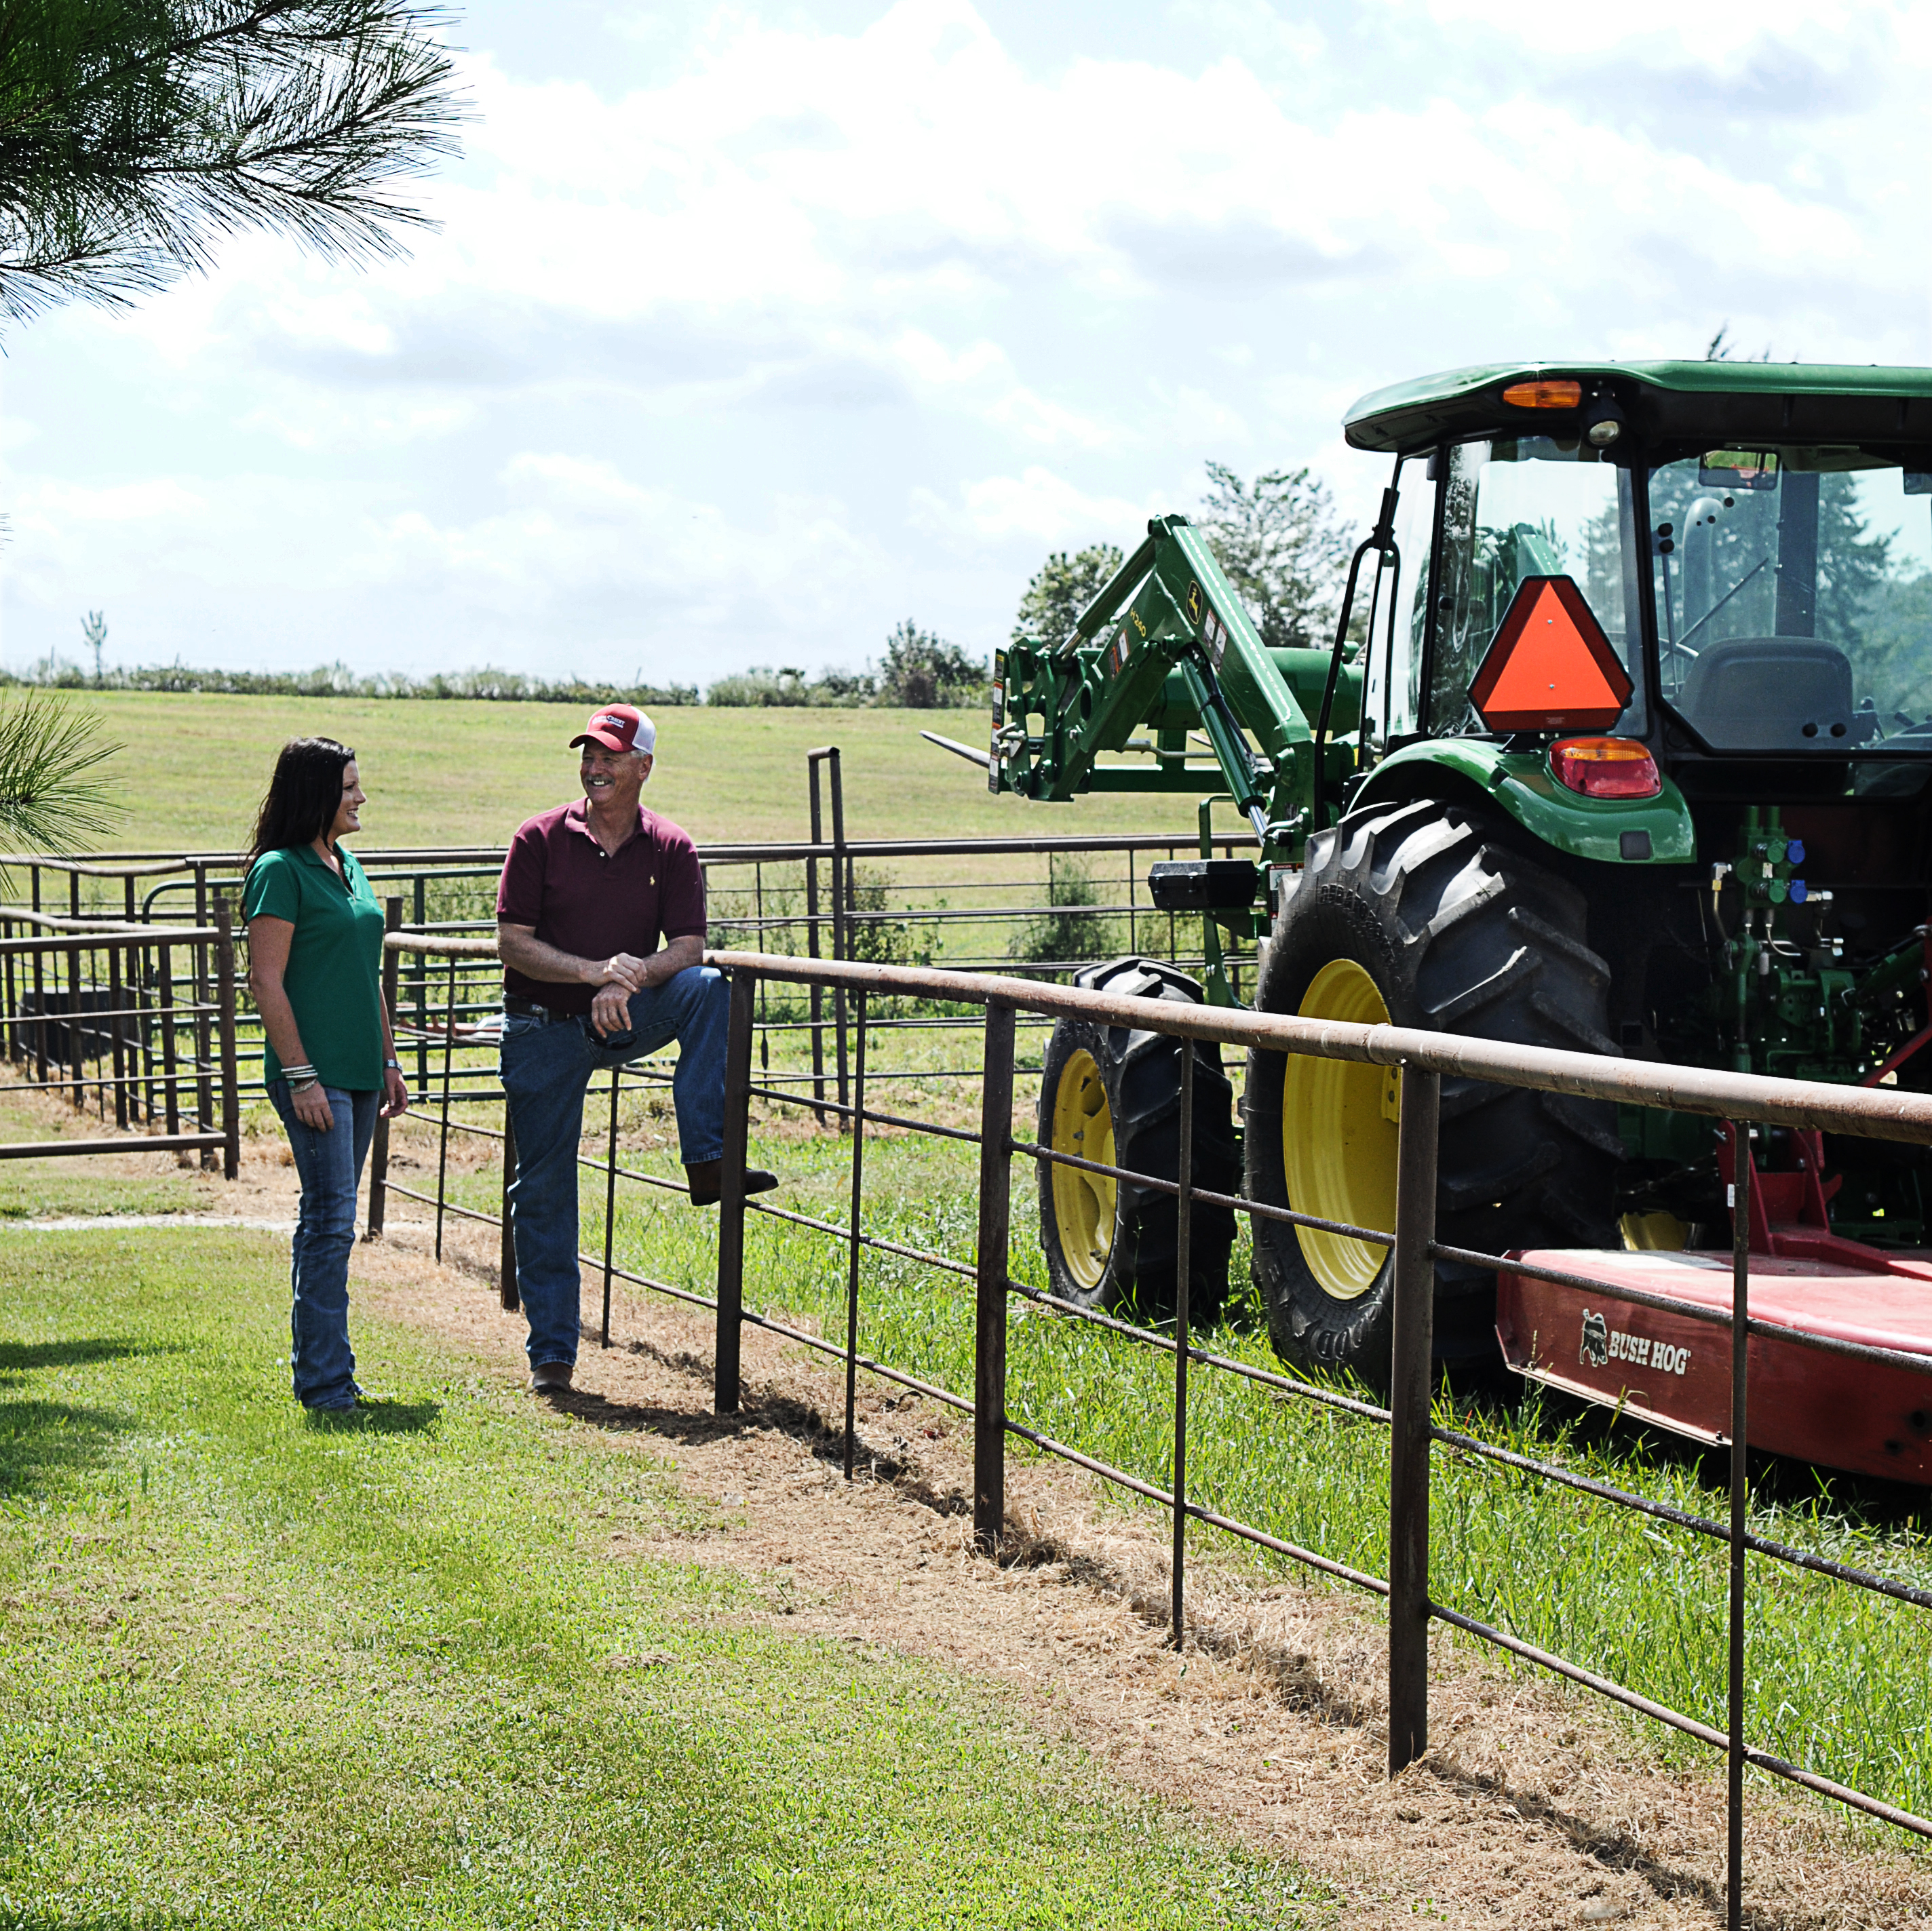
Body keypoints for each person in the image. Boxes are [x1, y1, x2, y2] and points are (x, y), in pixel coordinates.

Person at [496, 703, 777, 1394]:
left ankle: (708, 1159)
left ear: (643, 767)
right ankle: (553, 1355)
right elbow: (512, 944)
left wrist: (634, 976)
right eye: (587, 756)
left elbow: (689, 947)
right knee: (545, 1191)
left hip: (623, 1011)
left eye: (610, 757)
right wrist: (594, 973)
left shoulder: (672, 848)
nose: (594, 768)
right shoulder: (537, 839)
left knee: (710, 986)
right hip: (541, 1025)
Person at [244, 737, 409, 1415]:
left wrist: (390, 1059)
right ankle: (324, 1385)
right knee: (332, 1220)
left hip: (362, 1073)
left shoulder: (349, 865)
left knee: (330, 1222)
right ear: (315, 795)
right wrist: (302, 1075)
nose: (360, 797)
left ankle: (329, 1374)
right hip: (314, 1077)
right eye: (348, 788)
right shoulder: (279, 871)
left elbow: (365, 975)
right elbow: (266, 980)